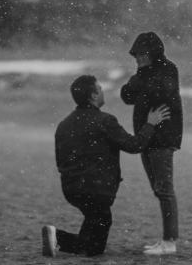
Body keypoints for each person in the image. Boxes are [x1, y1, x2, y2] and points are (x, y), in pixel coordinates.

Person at [42, 75, 170, 257]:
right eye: (100, 89)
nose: (103, 92)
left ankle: (56, 239)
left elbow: (60, 160)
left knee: (94, 220)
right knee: (95, 244)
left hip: (71, 189)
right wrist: (150, 123)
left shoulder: (64, 124)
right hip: (96, 190)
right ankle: (56, 237)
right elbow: (134, 145)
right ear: (93, 95)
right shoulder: (105, 121)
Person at [120, 31, 183, 256]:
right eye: (135, 55)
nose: (137, 59)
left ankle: (170, 242)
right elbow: (126, 96)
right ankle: (167, 240)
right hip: (146, 139)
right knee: (159, 190)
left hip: (163, 139)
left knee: (164, 190)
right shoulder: (143, 73)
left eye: (140, 54)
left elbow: (161, 92)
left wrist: (141, 80)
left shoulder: (168, 69)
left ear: (151, 53)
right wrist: (140, 78)